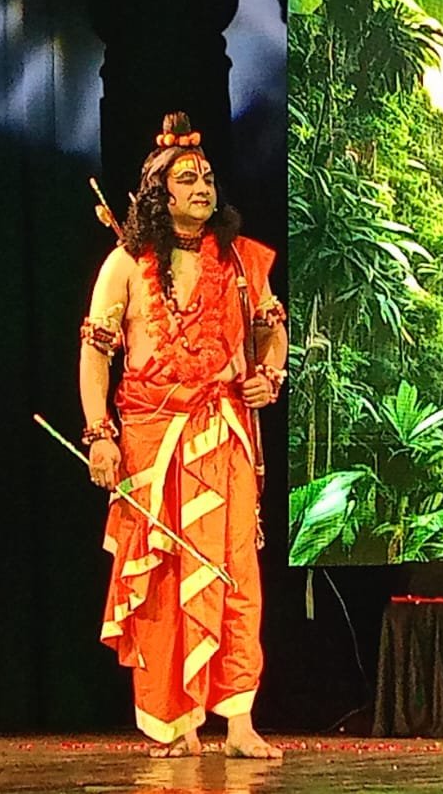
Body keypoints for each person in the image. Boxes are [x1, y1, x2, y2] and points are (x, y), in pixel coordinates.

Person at [80, 112, 289, 759]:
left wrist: (269, 375)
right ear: (159, 193)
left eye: (208, 178)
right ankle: (177, 723)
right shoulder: (125, 263)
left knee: (235, 571)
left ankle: (240, 723)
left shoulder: (242, 260)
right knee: (166, 575)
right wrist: (99, 435)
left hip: (223, 432)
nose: (203, 187)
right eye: (188, 179)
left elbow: (272, 330)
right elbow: (95, 353)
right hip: (153, 438)